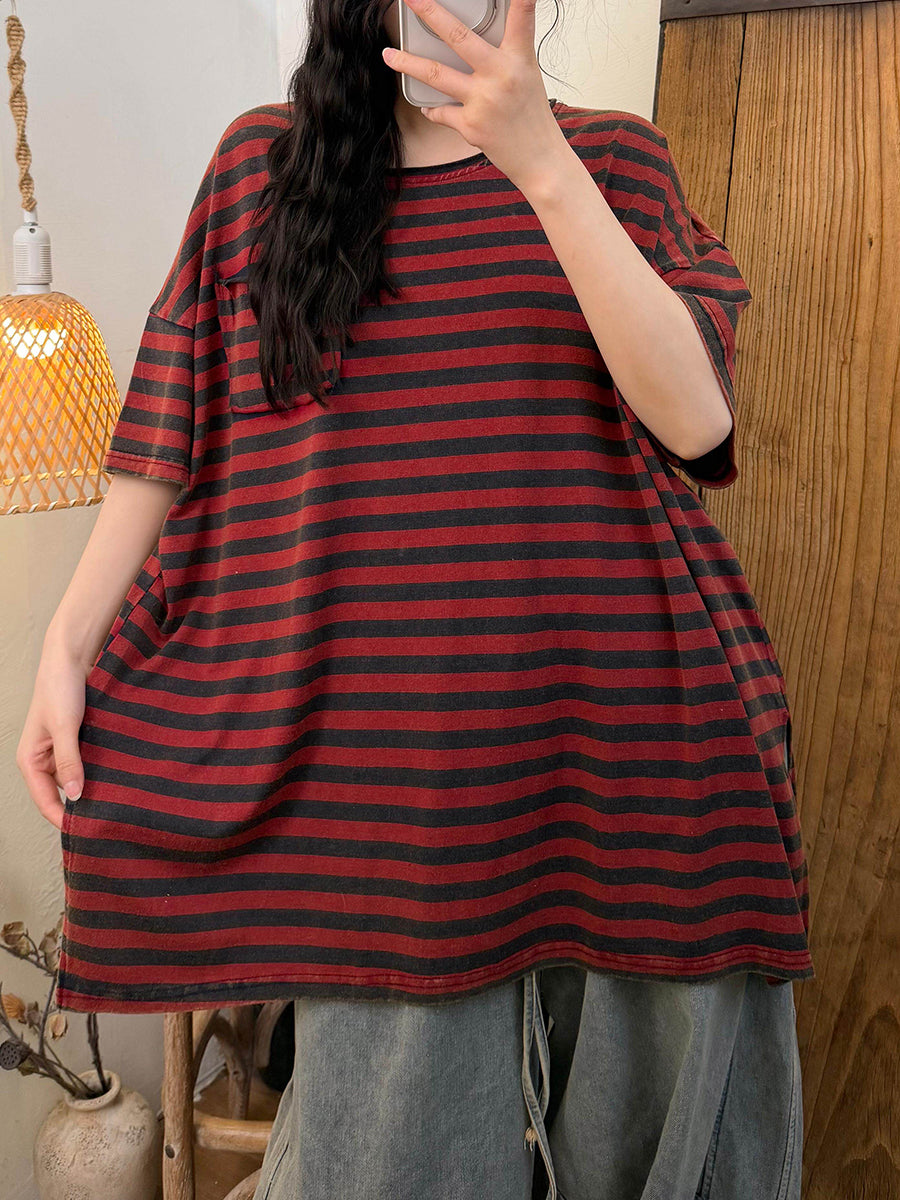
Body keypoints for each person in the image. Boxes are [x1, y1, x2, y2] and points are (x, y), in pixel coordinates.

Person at [17, 0, 813, 1196]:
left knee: (660, 1160)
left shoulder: (613, 161)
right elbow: (168, 424)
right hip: (382, 802)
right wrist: (68, 642)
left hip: (637, 756)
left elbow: (699, 421)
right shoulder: (262, 171)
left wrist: (540, 161)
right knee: (389, 1163)